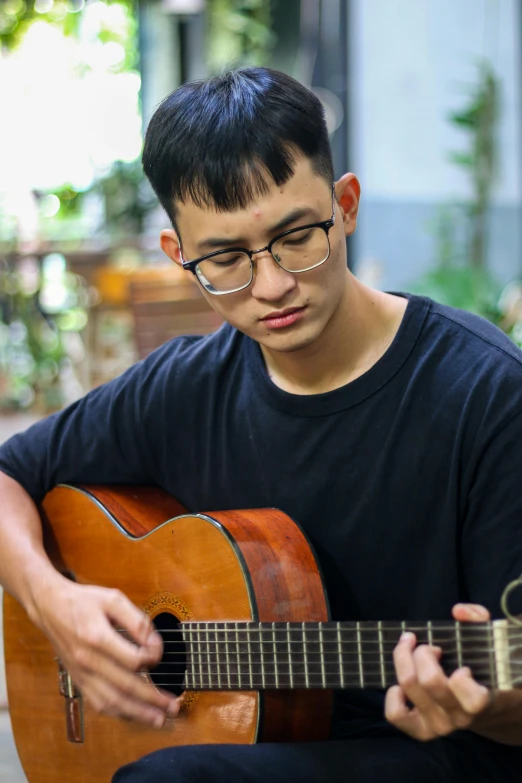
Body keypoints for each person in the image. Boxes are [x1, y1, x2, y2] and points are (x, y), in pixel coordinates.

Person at [1, 67, 522, 783]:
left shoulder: (487, 393)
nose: (272, 284)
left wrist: (483, 707)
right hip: (254, 743)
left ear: (346, 205)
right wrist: (52, 601)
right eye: (225, 259)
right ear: (178, 254)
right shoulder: (181, 387)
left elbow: (515, 697)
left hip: (442, 756)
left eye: (296, 236)